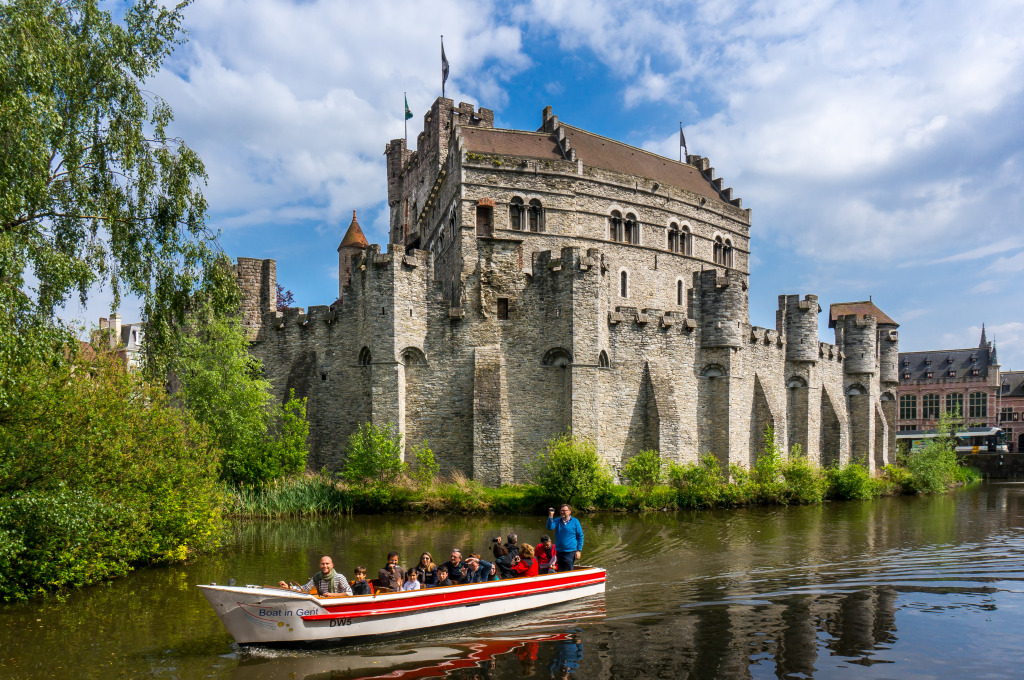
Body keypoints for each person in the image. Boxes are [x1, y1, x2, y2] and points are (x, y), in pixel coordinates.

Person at [278, 555, 353, 597]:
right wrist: (289, 587)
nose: (325, 566)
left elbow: (349, 593)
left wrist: (333, 595)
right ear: (319, 565)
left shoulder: (340, 577)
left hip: (337, 603)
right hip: (321, 603)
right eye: (322, 564)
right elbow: (305, 589)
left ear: (332, 565)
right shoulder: (316, 577)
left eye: (327, 564)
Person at [547, 504, 584, 571]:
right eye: (561, 510)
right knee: (561, 571)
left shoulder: (575, 522)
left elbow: (580, 536)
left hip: (570, 552)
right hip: (559, 551)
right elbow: (550, 527)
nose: (562, 512)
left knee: (568, 571)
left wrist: (579, 550)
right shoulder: (557, 520)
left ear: (569, 511)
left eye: (564, 510)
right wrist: (551, 516)